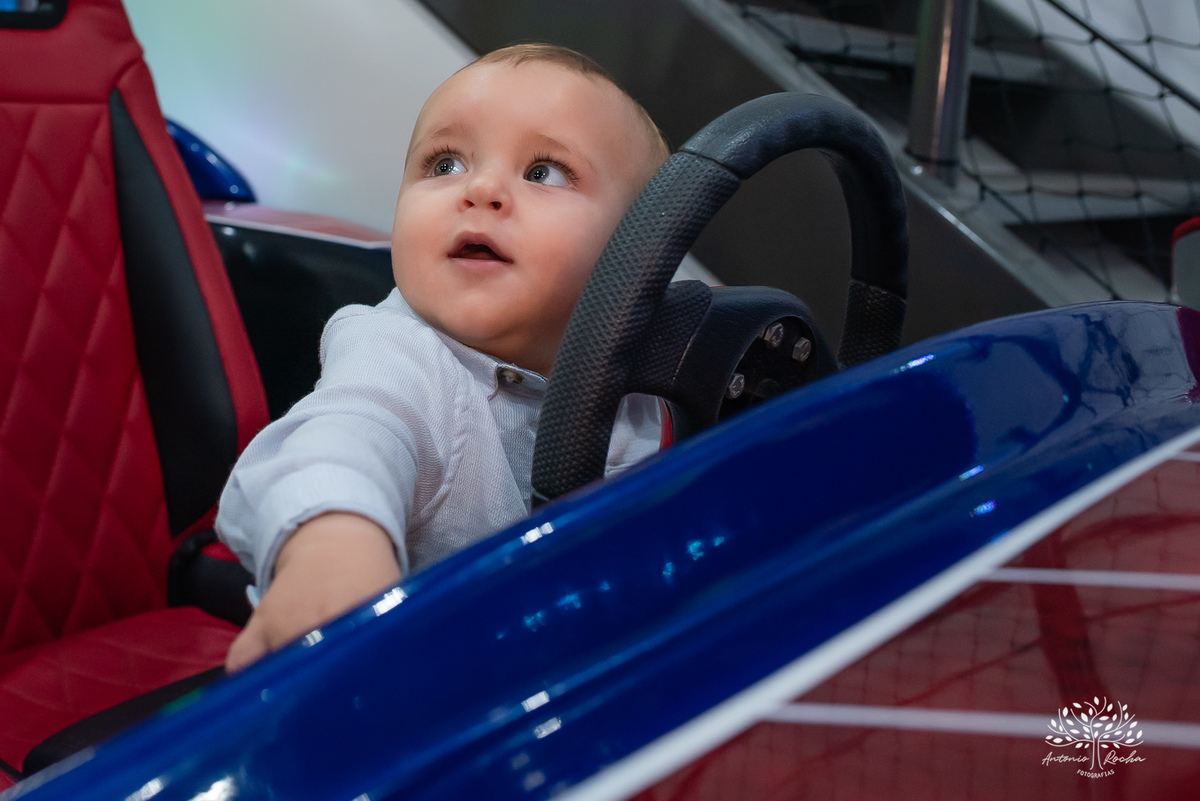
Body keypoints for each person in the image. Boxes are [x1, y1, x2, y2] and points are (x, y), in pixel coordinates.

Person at [216, 44, 672, 671]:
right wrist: (333, 545)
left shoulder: (664, 371)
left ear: (643, 251)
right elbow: (347, 433)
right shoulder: (398, 352)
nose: (481, 189)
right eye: (445, 163)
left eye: (544, 172)